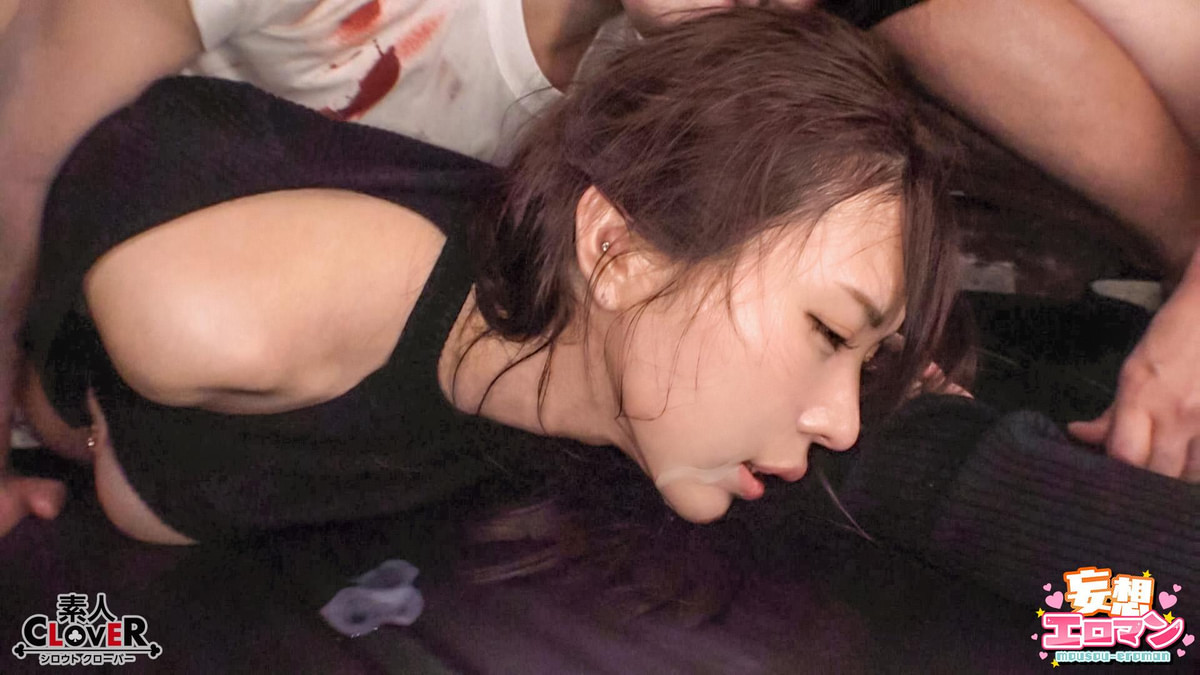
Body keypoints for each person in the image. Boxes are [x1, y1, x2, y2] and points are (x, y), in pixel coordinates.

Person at [19, 8, 959, 544]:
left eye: (866, 357)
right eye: (829, 330)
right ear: (618, 254)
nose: (842, 422)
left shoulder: (613, 392)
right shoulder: (210, 314)